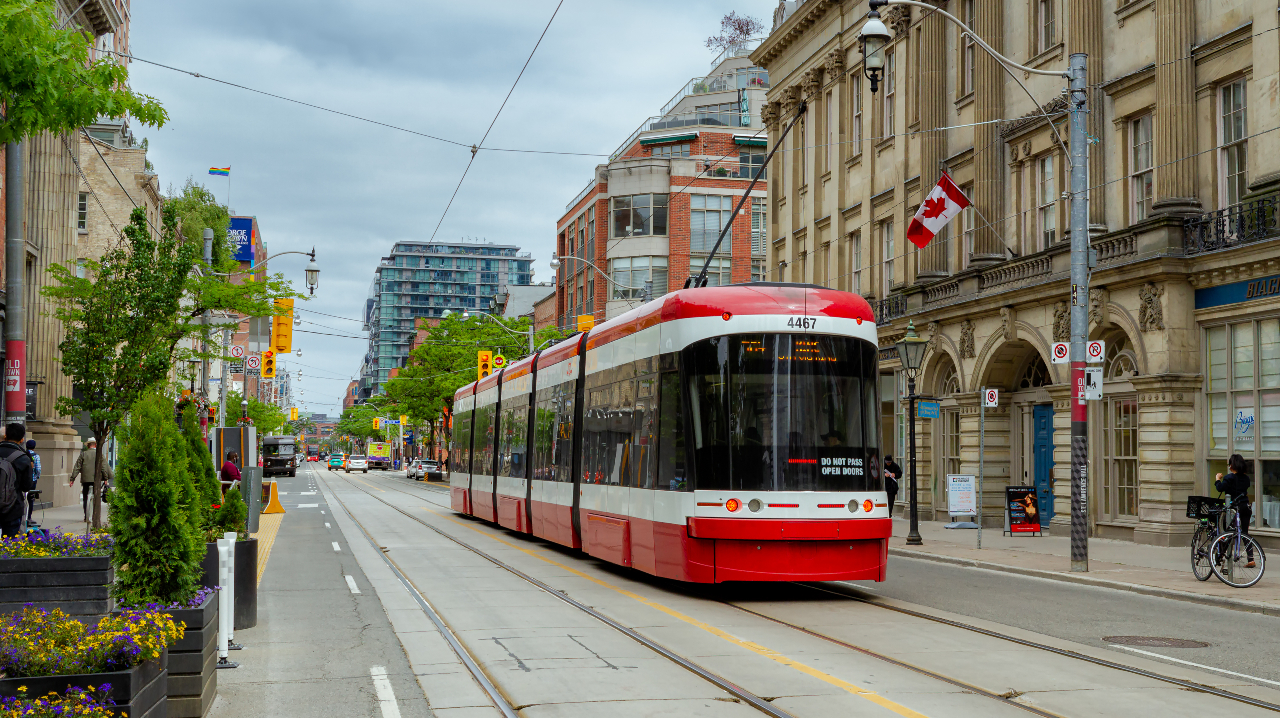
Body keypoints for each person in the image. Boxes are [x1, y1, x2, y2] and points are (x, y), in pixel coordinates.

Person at [1215, 453, 1256, 567]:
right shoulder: (1246, 478)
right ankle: (1250, 558)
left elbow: (1220, 488)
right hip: (1245, 507)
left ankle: (1221, 555)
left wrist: (1218, 479)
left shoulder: (1229, 478)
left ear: (1232, 465)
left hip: (1234, 508)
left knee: (1228, 531)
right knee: (1244, 533)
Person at [0, 424, 35, 537]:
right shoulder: (24, 458)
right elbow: (26, 486)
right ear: (22, 440)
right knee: (10, 544)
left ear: (5, 436)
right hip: (12, 507)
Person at [69, 437, 113, 523]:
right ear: (95, 445)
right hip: (96, 479)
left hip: (85, 479)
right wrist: (105, 478)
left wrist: (72, 479)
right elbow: (104, 467)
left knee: (85, 497)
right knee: (96, 497)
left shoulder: (83, 454)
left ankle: (86, 515)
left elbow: (77, 467)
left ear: (88, 445)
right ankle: (94, 516)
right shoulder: (99, 454)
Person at [24, 440, 40, 526]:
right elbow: (38, 468)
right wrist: (37, 476)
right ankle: (29, 517)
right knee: (31, 499)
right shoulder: (36, 456)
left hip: (24, 479)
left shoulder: (24, 454)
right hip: (32, 480)